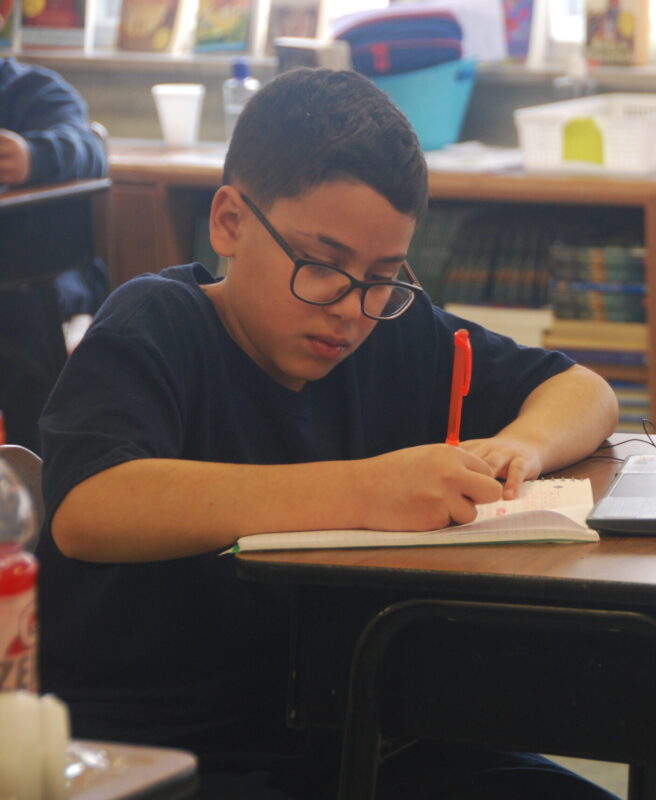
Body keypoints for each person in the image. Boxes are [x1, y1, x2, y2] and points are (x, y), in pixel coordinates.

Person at [36, 67, 620, 799]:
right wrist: (365, 489)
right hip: (157, 754)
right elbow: (92, 508)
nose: (351, 308)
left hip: (360, 740)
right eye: (322, 264)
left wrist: (518, 446)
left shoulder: (386, 331)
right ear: (230, 222)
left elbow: (583, 391)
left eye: (384, 275)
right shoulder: (155, 323)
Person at [0, 52, 108, 451]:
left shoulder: (33, 91)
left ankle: (37, 468)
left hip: (42, 272)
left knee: (18, 317)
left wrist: (34, 156)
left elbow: (89, 148)